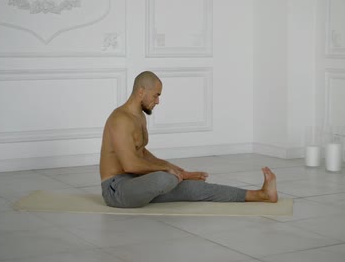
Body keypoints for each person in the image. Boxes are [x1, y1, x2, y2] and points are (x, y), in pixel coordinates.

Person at [99, 71, 278, 208]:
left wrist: (176, 169)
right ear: (141, 91)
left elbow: (141, 153)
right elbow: (130, 165)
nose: (158, 101)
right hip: (117, 189)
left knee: (195, 188)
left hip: (138, 182)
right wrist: (172, 172)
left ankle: (262, 194)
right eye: (156, 95)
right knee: (165, 179)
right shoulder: (120, 119)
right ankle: (172, 177)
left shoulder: (139, 116)